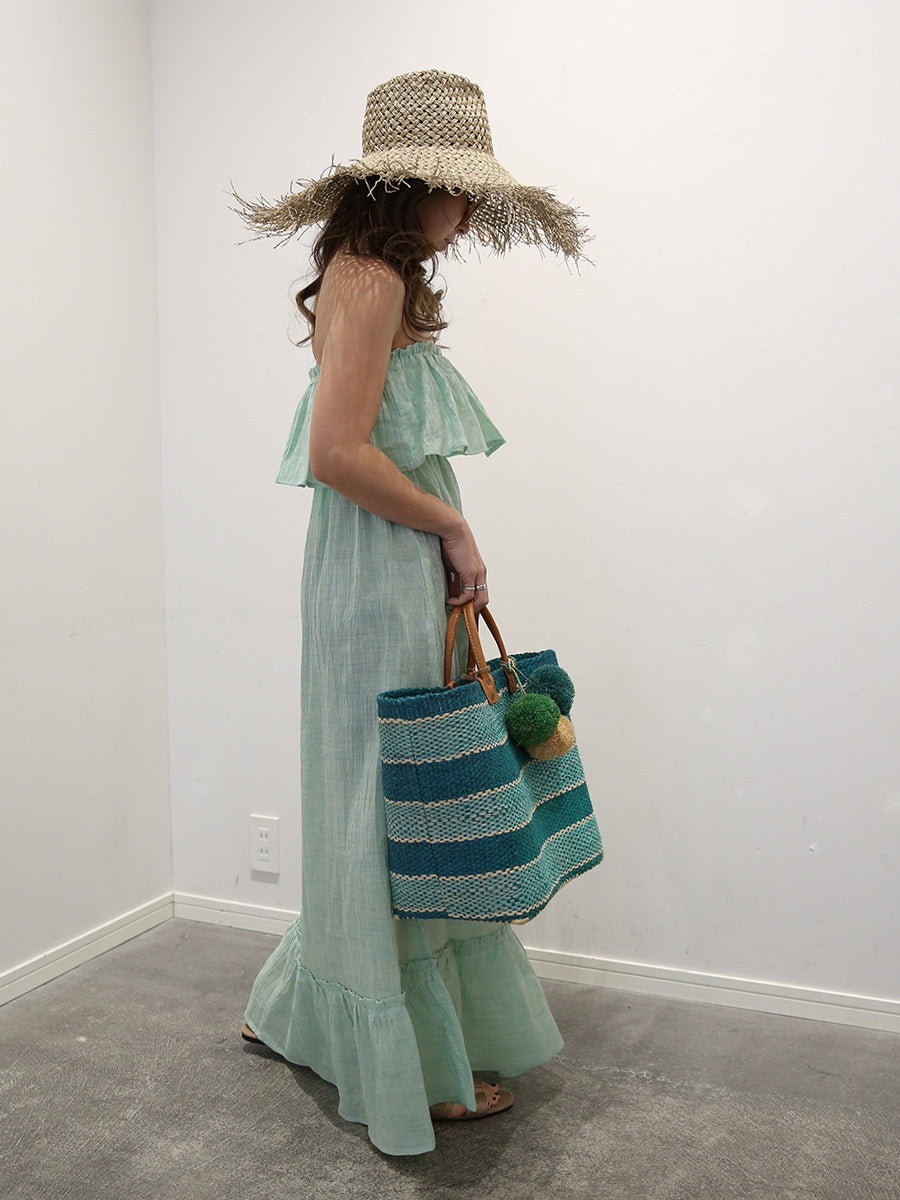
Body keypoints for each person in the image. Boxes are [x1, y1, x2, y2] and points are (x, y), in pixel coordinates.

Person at [232, 69, 588, 1157]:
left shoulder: (368, 274)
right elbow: (340, 453)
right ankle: (411, 1065)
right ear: (403, 185)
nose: (467, 208)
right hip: (380, 564)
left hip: (380, 564)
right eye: (455, 186)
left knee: (380, 795)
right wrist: (454, 527)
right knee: (393, 801)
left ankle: (312, 1012)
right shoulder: (370, 277)